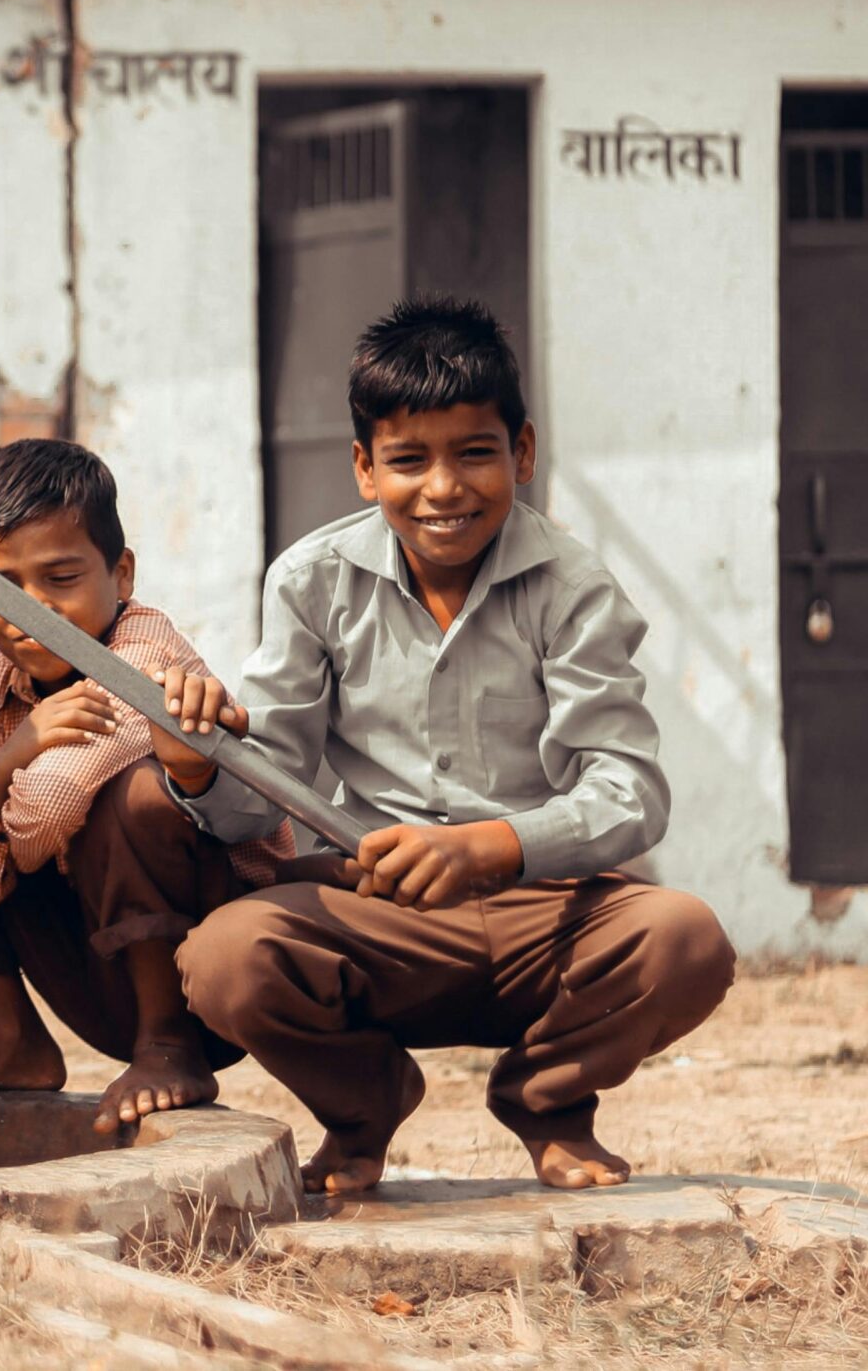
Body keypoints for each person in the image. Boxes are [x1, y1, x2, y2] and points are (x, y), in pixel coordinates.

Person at [166, 298, 736, 1195]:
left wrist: (492, 846)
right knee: (226, 958)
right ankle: (363, 1106)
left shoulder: (574, 587)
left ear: (525, 453)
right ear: (363, 467)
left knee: (685, 937)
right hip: (375, 909)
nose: (444, 488)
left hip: (540, 908)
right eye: (408, 460)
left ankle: (546, 1098)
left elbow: (629, 792)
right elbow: (259, 789)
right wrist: (198, 762)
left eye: (476, 452)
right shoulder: (311, 580)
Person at [0, 439, 292, 1136]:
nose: (30, 611)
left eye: (60, 578)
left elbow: (40, 826)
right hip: (94, 957)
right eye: (2, 587)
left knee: (136, 794)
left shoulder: (142, 657)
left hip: (212, 973)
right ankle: (7, 1036)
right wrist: (2, 775)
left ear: (121, 574)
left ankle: (167, 1046)